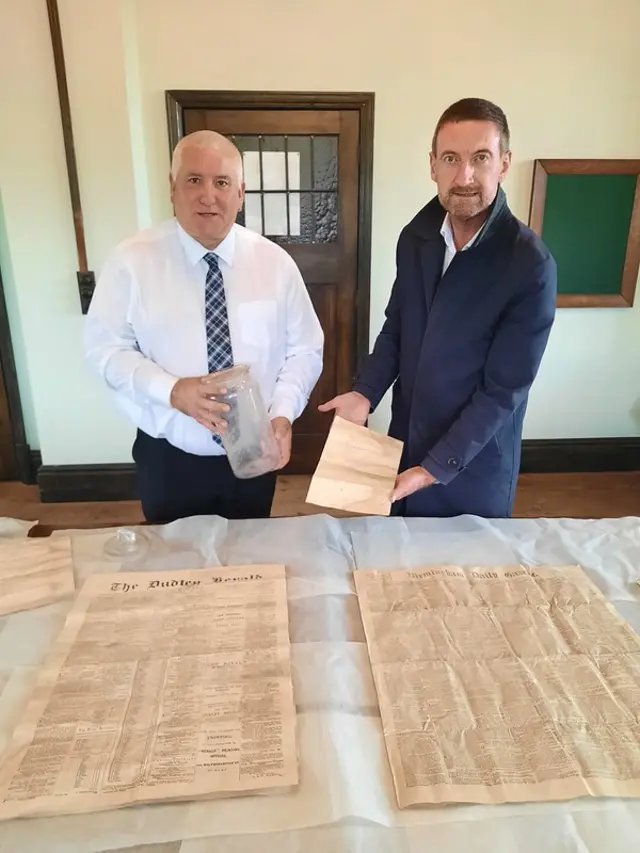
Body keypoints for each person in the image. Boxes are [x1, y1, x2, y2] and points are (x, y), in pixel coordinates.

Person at [320, 98, 557, 519]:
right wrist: (365, 392)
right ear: (433, 166)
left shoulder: (529, 265)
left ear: (503, 164)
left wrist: (434, 467)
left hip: (473, 465)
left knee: (460, 578)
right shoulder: (416, 238)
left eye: (480, 158)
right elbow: (398, 326)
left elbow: (503, 392)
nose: (464, 176)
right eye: (451, 158)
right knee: (394, 567)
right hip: (405, 442)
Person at [84, 130, 324, 523]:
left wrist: (282, 413)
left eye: (222, 182)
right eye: (194, 180)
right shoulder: (132, 261)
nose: (208, 196)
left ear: (241, 192)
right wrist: (174, 391)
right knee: (175, 570)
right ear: (172, 187)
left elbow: (305, 349)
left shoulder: (274, 264)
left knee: (249, 563)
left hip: (253, 454)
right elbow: (104, 350)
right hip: (169, 459)